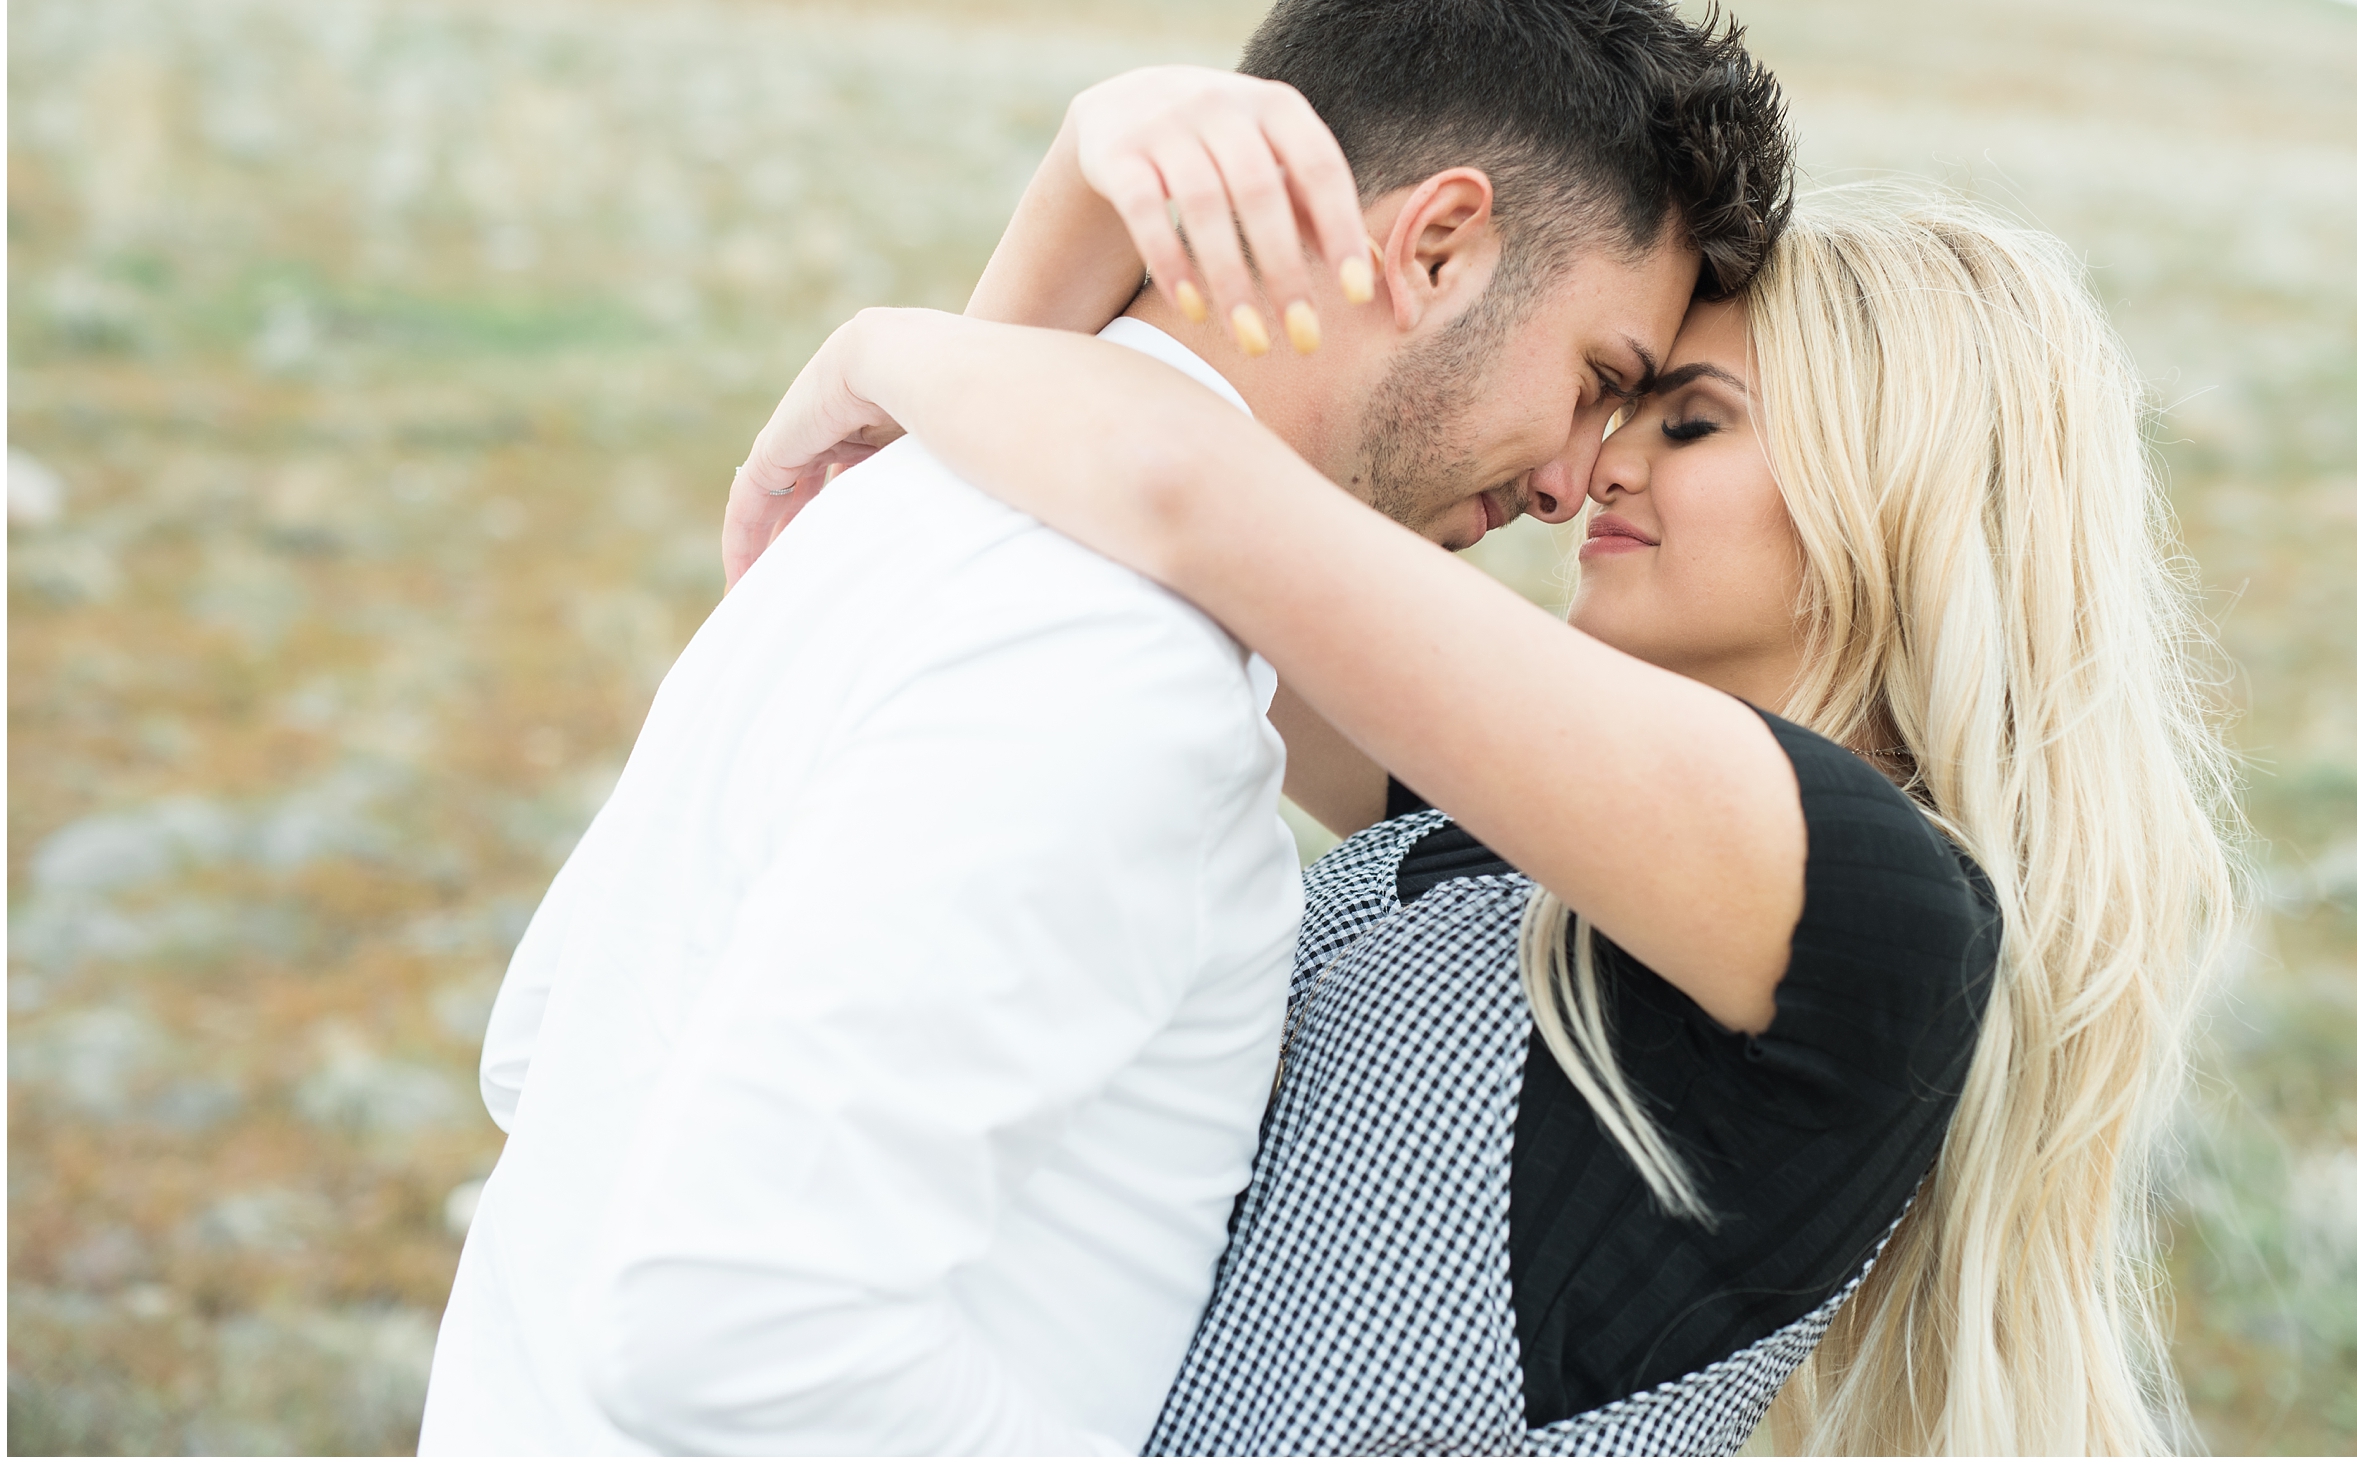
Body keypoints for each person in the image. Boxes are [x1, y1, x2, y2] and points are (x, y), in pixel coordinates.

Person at [419, 0, 1794, 1454]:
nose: (1569, 482)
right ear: (1437, 246)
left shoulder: (901, 518)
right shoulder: (1123, 678)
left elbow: (543, 1052)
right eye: (1598, 379)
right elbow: (731, 1327)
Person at [727, 186, 2238, 1451]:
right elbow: (1110, 533)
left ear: (1890, 487)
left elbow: (1184, 490)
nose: (1597, 467)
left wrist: (877, 349)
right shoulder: (1522, 836)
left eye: (1691, 423)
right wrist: (1081, 177)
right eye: (1621, 402)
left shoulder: (1875, 915)